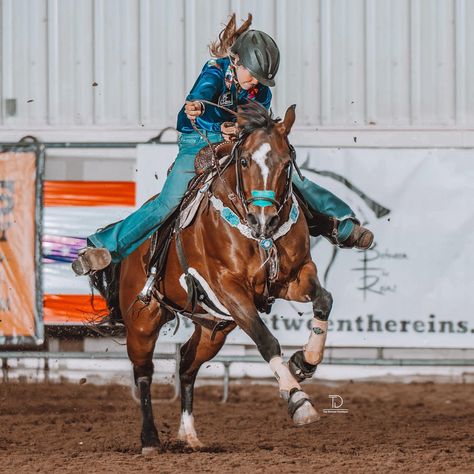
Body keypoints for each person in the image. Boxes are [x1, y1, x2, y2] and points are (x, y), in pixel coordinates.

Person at [72, 14, 373, 276]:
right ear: (236, 61)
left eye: (261, 81)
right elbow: (200, 97)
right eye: (252, 76)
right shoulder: (215, 70)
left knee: (291, 179)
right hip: (197, 142)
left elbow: (255, 123)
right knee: (169, 202)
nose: (255, 84)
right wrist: (206, 115)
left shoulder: (260, 92)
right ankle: (104, 247)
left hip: (240, 146)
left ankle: (341, 225)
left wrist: (241, 131)